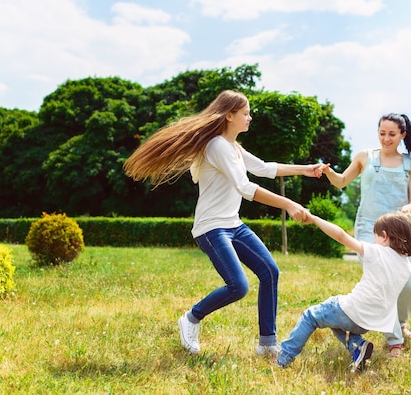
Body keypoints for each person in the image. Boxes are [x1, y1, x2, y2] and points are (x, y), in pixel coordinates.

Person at [123, 90, 325, 356]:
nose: (250, 118)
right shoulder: (216, 145)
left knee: (269, 271)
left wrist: (305, 169)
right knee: (238, 286)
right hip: (211, 227)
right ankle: (191, 318)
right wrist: (288, 204)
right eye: (245, 113)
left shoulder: (233, 147)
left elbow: (263, 168)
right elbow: (245, 186)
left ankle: (267, 344)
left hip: (233, 224)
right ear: (229, 115)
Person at [322, 113, 411, 356]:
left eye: (392, 134)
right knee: (384, 281)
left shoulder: (410, 165)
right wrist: (328, 172)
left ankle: (400, 323)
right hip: (369, 228)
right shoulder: (365, 157)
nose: (386, 138)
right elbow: (341, 182)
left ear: (402, 135)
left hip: (401, 229)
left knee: (409, 285)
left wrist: (409, 208)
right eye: (382, 133)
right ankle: (394, 340)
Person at [276, 211, 411, 372]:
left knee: (311, 316)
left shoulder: (377, 251)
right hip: (368, 322)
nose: (374, 241)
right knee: (336, 322)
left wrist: (314, 219)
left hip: (351, 311)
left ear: (384, 236)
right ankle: (358, 347)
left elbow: (341, 236)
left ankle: (283, 357)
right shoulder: (407, 266)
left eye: (375, 236)